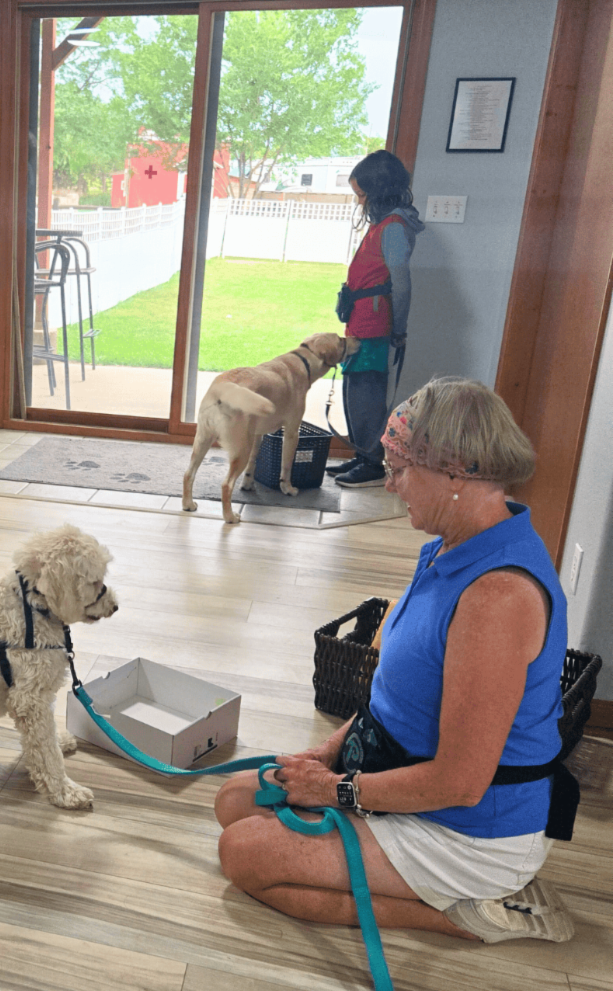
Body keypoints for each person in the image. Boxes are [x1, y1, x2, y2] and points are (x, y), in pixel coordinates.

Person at [215, 378, 576, 945]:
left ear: (456, 472)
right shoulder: (448, 546)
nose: (390, 484)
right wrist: (326, 754)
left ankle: (477, 914)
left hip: (469, 829)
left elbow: (460, 782)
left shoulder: (497, 597)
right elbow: (397, 696)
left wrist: (333, 790)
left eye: (401, 469)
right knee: (233, 800)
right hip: (402, 774)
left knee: (244, 855)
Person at [329, 149, 424, 489]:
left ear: (378, 191)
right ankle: (361, 453)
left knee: (367, 392)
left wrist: (398, 329)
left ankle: (372, 463)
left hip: (376, 324)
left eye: (361, 194)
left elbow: (401, 283)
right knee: (354, 390)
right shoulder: (384, 225)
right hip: (361, 321)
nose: (359, 202)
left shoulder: (395, 228)